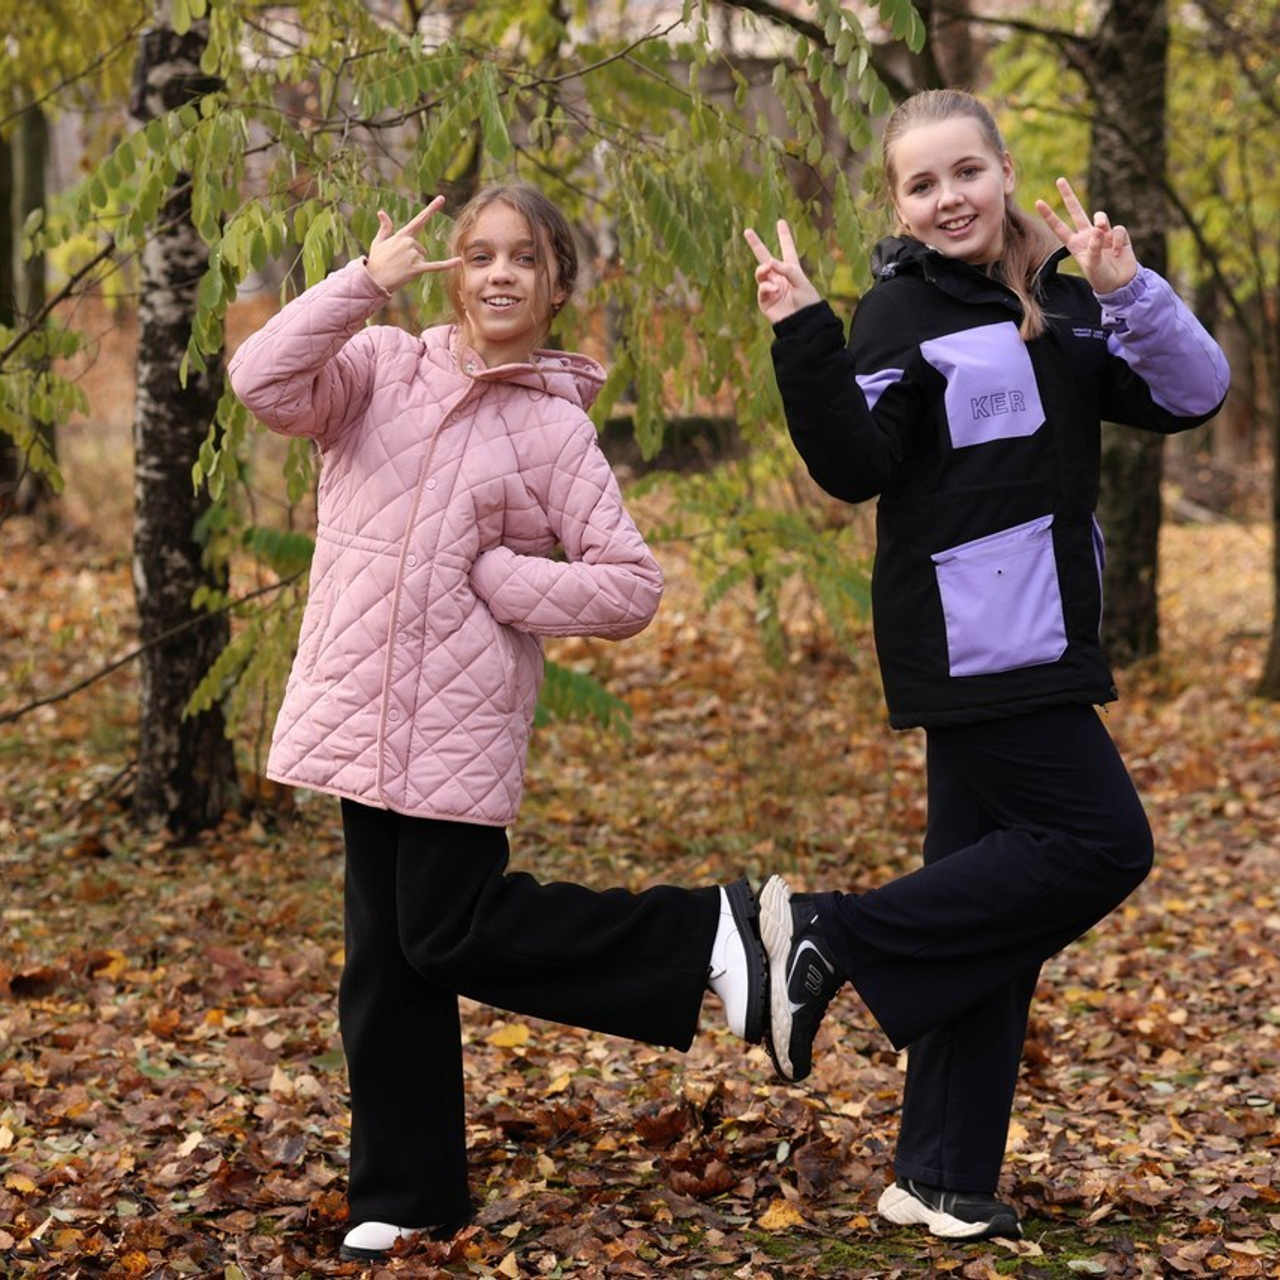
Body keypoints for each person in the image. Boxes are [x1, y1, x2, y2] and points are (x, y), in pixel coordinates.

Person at [228, 184, 768, 1263]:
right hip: (358, 715)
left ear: (557, 284)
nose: (499, 273)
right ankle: (409, 1191)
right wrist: (361, 284)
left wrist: (506, 581)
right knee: (385, 967)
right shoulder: (379, 367)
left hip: (457, 725)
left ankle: (704, 933)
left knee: (448, 932)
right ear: (454, 273)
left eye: (524, 257)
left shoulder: (553, 428)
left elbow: (629, 585)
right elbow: (262, 379)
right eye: (478, 254)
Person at [744, 88, 1229, 1242]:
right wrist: (805, 332)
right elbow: (853, 467)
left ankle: (939, 1175)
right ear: (897, 205)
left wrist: (1125, 289)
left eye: (965, 171)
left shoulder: (1064, 303)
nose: (947, 197)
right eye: (920, 184)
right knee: (1102, 843)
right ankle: (825, 934)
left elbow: (1190, 393)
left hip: (1045, 632)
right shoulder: (895, 313)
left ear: (1004, 171)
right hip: (970, 649)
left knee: (986, 918)